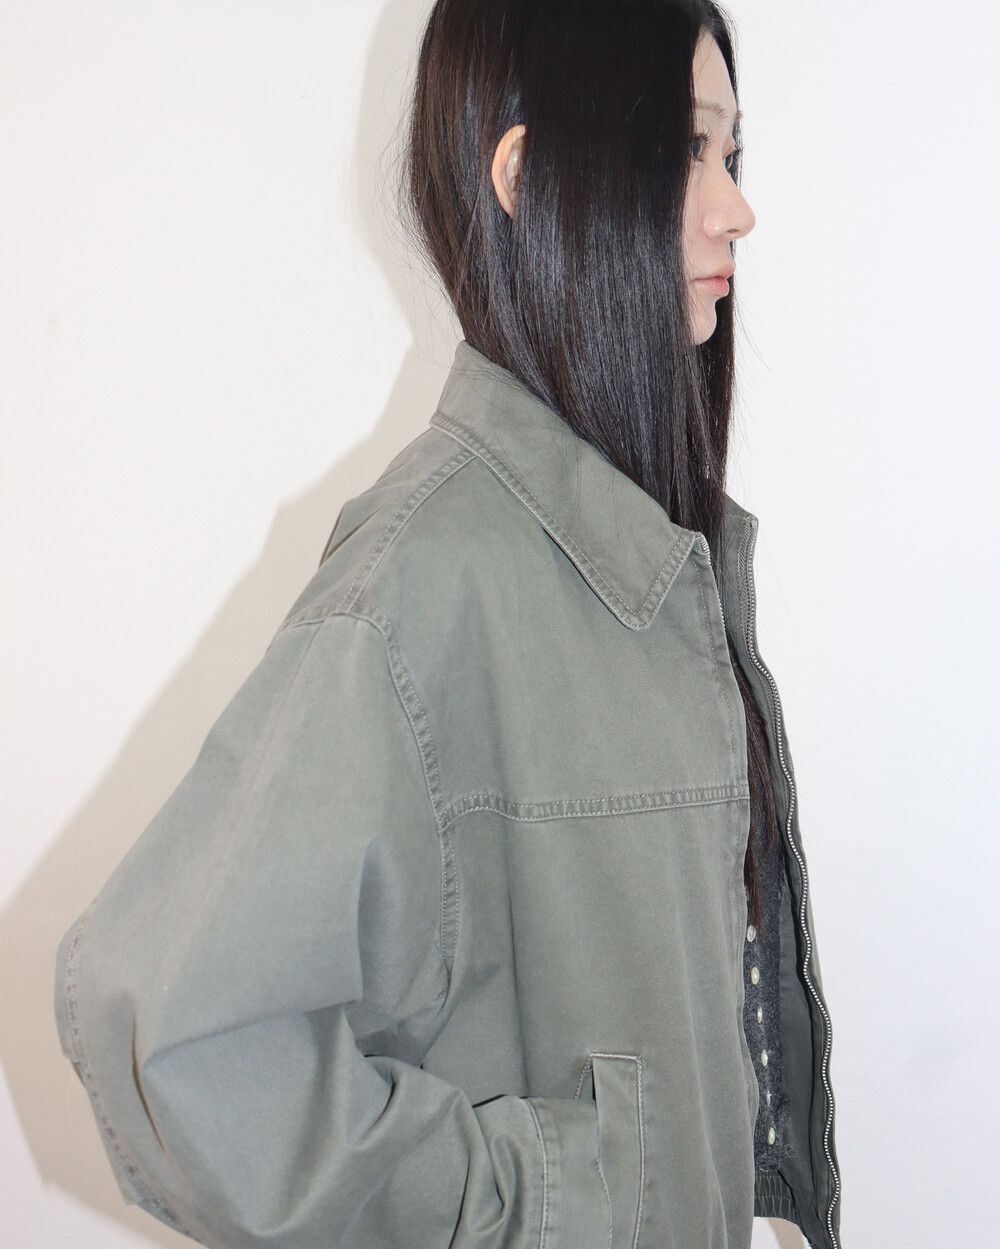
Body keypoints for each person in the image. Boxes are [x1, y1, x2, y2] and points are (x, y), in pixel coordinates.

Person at [55, 2, 842, 1247]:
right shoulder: (431, 579)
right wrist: (563, 1195)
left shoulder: (642, 568)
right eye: (686, 149)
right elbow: (173, 1032)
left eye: (731, 153)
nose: (735, 207)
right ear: (525, 175)